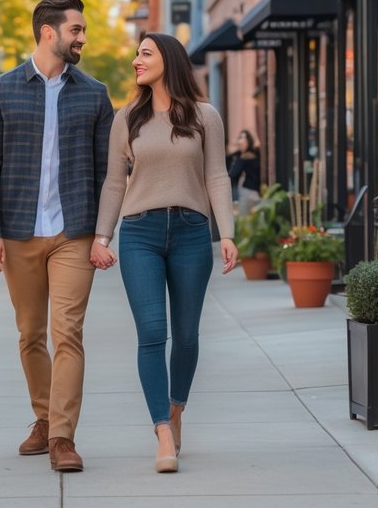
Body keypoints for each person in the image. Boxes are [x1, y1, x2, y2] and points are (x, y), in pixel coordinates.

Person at [0, 0, 114, 473]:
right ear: (48, 32)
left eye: (82, 30)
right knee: (30, 334)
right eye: (76, 29)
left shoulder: (95, 93)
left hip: (74, 233)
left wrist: (103, 234)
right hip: (17, 233)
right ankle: (42, 417)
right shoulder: (2, 91)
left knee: (67, 333)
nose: (82, 38)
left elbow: (107, 172)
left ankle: (61, 437)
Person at [91, 32, 238, 474]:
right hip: (140, 234)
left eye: (145, 53)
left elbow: (217, 176)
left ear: (168, 60)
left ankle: (176, 411)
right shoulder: (127, 118)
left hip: (193, 233)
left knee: (188, 336)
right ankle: (161, 432)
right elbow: (115, 181)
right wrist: (102, 237)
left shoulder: (204, 116)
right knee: (153, 333)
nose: (137, 60)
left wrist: (227, 233)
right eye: (137, 53)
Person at [228, 129, 262, 215]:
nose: (240, 142)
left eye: (242, 138)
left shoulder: (245, 156)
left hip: (248, 192)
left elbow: (232, 174)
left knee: (245, 220)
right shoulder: (255, 154)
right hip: (255, 192)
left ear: (248, 141)